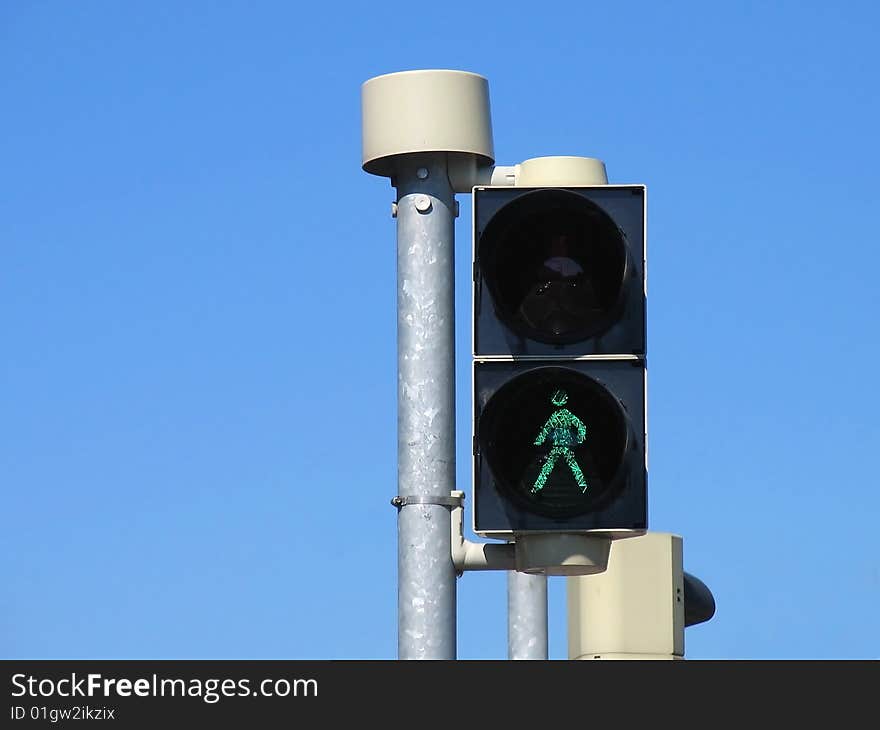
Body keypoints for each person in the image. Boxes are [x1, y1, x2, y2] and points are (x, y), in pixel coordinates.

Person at [531, 389, 589, 494]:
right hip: (565, 442)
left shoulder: (556, 415)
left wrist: (539, 441)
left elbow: (546, 429)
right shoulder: (566, 415)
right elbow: (581, 425)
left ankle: (536, 488)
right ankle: (583, 487)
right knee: (572, 465)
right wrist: (580, 439)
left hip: (559, 442)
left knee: (550, 466)